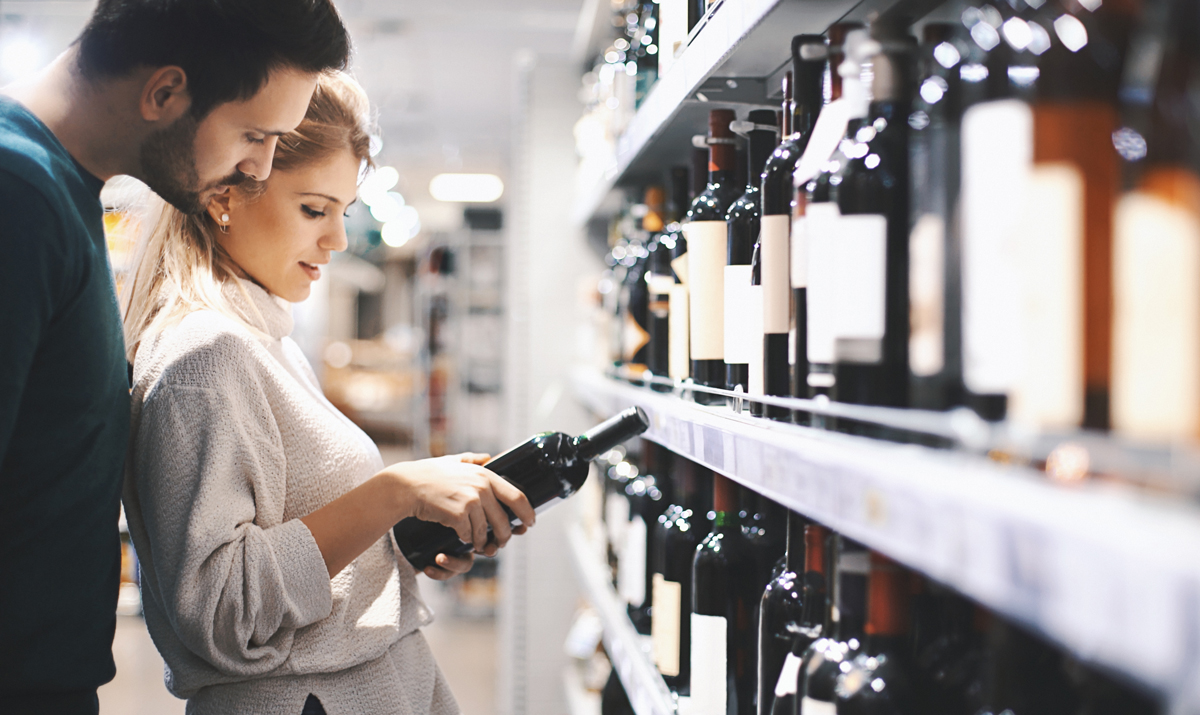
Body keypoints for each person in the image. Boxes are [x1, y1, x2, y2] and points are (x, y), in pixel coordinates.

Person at [121, 71, 534, 715]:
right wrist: (392, 492)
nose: (337, 240)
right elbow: (223, 611)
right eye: (314, 209)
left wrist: (398, 537)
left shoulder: (266, 338)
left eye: (343, 212)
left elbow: (295, 536)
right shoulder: (206, 360)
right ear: (223, 193)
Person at [0, 1, 352, 713]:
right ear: (165, 93)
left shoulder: (59, 196)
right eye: (254, 135)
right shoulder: (20, 196)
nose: (258, 168)